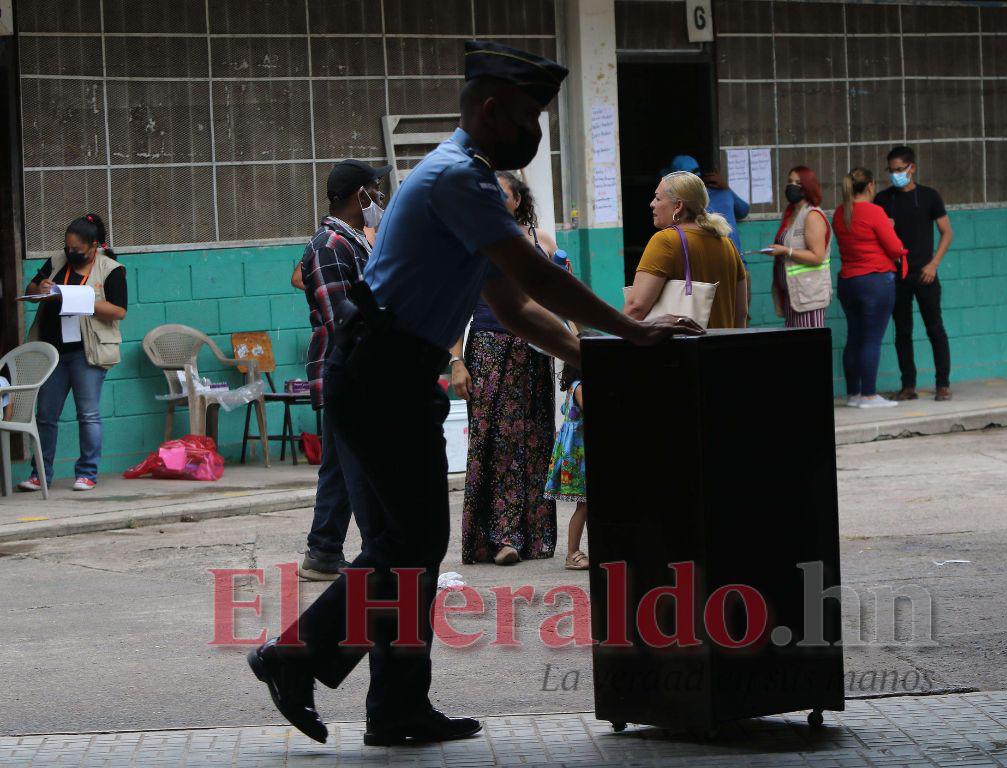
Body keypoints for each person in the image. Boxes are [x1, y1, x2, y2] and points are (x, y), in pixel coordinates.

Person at [246, 40, 702, 747]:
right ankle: (292, 659)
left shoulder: (465, 183)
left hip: (392, 370)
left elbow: (516, 307)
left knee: (411, 544)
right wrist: (630, 335)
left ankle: (395, 709)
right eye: (526, 115)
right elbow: (539, 278)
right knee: (409, 542)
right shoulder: (459, 178)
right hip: (380, 372)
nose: (533, 131)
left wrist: (591, 355)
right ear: (492, 110)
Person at [453, 170, 557, 567]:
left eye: (501, 194)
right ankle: (500, 538)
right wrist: (457, 361)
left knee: (535, 440)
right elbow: (455, 309)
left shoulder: (540, 243)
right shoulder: (475, 246)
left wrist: (573, 350)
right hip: (489, 350)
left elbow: (557, 299)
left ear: (517, 200)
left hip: (533, 352)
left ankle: (532, 535)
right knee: (495, 443)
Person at [296, 159, 390, 580]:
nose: (380, 198)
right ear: (359, 196)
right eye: (375, 189)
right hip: (349, 371)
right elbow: (343, 321)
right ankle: (378, 556)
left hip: (357, 369)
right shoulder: (330, 245)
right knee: (361, 467)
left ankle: (323, 552)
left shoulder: (354, 241)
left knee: (339, 464)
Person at [19, 214, 127, 491]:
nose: (70, 253)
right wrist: (40, 288)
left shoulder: (111, 269)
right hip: (53, 350)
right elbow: (31, 289)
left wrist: (82, 300)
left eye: (76, 250)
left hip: (87, 352)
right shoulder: (57, 261)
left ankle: (87, 472)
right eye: (67, 248)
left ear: (93, 246)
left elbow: (119, 311)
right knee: (45, 414)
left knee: (88, 414)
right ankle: (39, 473)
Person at [874, 146, 954, 401]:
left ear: (912, 168)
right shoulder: (883, 199)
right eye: (891, 170)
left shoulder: (929, 196)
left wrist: (934, 264)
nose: (895, 175)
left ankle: (943, 384)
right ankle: (908, 385)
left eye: (900, 169)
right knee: (903, 331)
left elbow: (947, 232)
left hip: (925, 274)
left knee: (935, 329)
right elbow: (875, 236)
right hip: (896, 276)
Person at [625, 170, 748, 329]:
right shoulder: (727, 244)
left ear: (678, 206)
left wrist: (617, 342)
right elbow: (741, 312)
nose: (652, 203)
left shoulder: (665, 240)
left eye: (657, 198)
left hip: (683, 351)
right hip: (721, 348)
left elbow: (636, 307)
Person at [832, 168, 907, 409]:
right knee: (872, 339)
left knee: (854, 336)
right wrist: (890, 226)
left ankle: (853, 394)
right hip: (875, 281)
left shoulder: (839, 213)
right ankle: (869, 395)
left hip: (848, 282)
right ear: (871, 186)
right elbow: (895, 249)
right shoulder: (875, 212)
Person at [767, 166, 833, 328]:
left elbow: (818, 256)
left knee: (809, 349)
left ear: (807, 188)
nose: (791, 186)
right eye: (790, 182)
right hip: (793, 295)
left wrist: (786, 251)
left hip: (810, 296)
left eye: (797, 183)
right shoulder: (790, 214)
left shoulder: (812, 216)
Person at [544, 363, 588, 570]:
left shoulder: (574, 385)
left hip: (578, 453)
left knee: (588, 504)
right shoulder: (580, 387)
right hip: (579, 456)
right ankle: (572, 553)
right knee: (584, 504)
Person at [664, 154, 749, 255]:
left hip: (731, 261)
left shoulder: (723, 192)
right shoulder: (683, 204)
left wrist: (727, 188)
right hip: (714, 261)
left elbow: (744, 211)